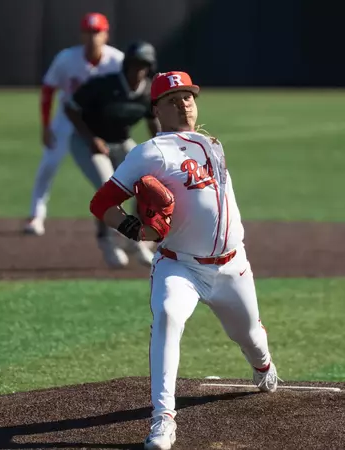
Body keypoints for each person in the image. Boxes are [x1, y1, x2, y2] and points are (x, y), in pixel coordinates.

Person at [88, 71, 279, 450]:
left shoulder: (212, 143)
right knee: (169, 317)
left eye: (187, 97)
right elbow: (101, 203)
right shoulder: (149, 152)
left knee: (252, 339)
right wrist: (135, 229)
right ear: (156, 109)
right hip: (181, 266)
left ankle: (263, 367)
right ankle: (163, 420)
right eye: (172, 99)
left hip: (232, 267)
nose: (183, 104)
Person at [24, 12, 123, 236]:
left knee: (112, 173)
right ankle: (36, 215)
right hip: (65, 121)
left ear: (106, 35)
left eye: (96, 32)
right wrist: (45, 125)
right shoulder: (66, 58)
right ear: (81, 35)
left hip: (98, 125)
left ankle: (117, 219)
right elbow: (48, 90)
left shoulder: (117, 61)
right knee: (48, 165)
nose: (92, 37)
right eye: (88, 32)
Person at [64, 41, 161, 268]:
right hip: (87, 142)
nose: (138, 70)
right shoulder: (104, 85)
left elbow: (153, 122)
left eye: (144, 66)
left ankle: (135, 239)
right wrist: (91, 139)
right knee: (109, 187)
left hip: (120, 141)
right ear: (126, 65)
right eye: (135, 65)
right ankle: (107, 240)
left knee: (146, 183)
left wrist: (162, 148)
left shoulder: (148, 91)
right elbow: (71, 107)